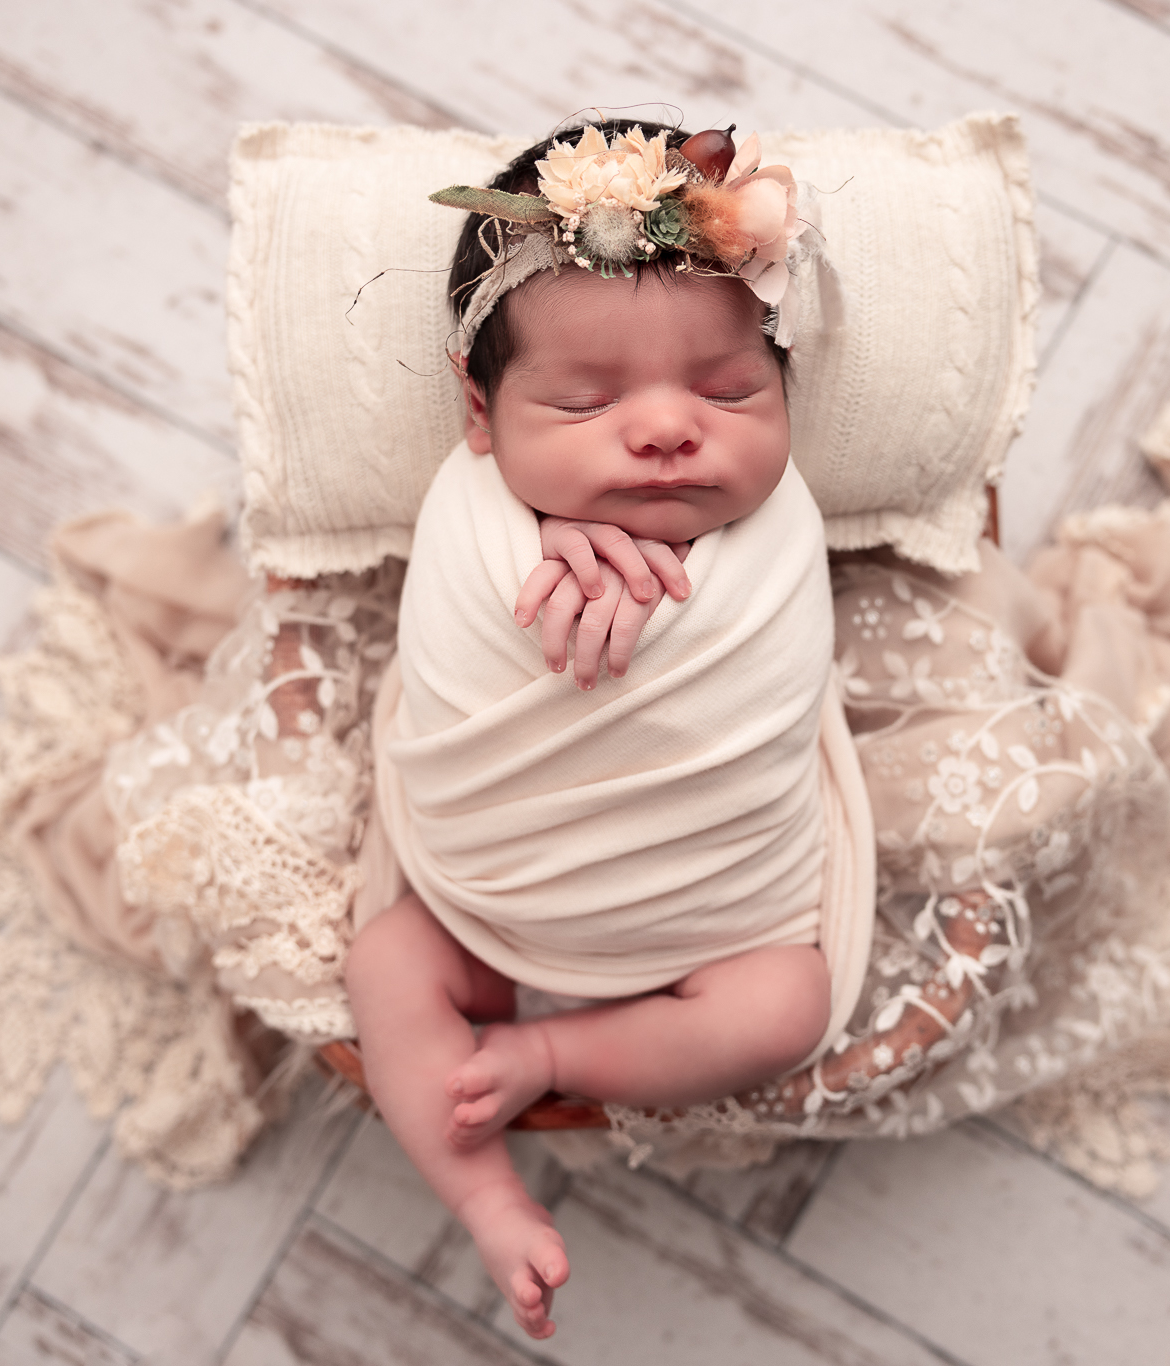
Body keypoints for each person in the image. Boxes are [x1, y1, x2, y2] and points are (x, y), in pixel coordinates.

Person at [341, 119, 863, 1340]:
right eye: (583, 402)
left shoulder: (777, 521)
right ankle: (482, 1194)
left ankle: (557, 1055)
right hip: (484, 900)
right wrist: (533, 537)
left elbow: (766, 633)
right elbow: (469, 604)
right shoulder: (474, 509)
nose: (667, 430)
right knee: (387, 965)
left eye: (729, 390)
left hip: (716, 909)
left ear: (782, 388)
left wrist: (677, 550)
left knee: (783, 1006)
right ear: (481, 416)